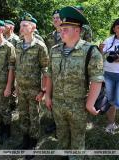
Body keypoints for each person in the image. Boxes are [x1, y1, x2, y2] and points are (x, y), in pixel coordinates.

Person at [46, 6, 104, 160]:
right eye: (60, 29)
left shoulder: (90, 51)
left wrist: (89, 104)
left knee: (77, 141)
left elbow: (97, 79)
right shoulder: (55, 50)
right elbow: (49, 74)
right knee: (62, 137)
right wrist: (47, 96)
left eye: (65, 29)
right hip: (58, 104)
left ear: (77, 31)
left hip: (78, 106)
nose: (61, 32)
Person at [14, 15, 48, 160]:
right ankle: (25, 140)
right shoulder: (19, 44)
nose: (21, 28)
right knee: (22, 114)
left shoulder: (40, 46)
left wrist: (43, 90)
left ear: (32, 28)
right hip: (21, 87)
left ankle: (33, 144)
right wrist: (16, 85)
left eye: (24, 25)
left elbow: (46, 70)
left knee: (34, 116)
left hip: (34, 88)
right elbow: (17, 67)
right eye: (20, 25)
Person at [99, 18, 119, 133]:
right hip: (108, 75)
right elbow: (100, 58)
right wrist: (101, 51)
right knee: (110, 100)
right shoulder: (108, 40)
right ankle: (111, 124)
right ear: (114, 29)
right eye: (118, 28)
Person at [44, 9, 62, 134]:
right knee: (52, 98)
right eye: (54, 17)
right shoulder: (50, 36)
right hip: (52, 71)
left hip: (65, 72)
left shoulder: (69, 34)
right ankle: (55, 123)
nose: (55, 20)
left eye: (58, 17)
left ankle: (62, 127)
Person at [3, 20, 20, 116]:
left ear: (11, 27)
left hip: (13, 67)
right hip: (4, 67)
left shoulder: (16, 39)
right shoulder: (3, 39)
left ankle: (14, 106)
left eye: (5, 26)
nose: (3, 28)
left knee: (13, 88)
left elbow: (17, 56)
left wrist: (16, 70)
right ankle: (7, 104)